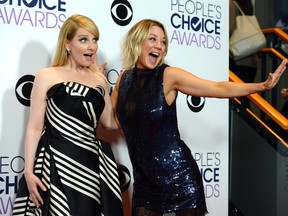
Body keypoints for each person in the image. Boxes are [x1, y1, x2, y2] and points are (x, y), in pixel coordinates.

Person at [110, 19, 287, 216]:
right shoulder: (123, 79)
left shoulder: (168, 75)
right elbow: (111, 122)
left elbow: (216, 88)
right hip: (145, 185)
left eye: (163, 42)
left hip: (181, 179)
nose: (159, 46)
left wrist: (260, 86)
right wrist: (97, 84)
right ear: (137, 41)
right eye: (153, 39)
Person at [12, 14, 123, 216]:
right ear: (68, 44)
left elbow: (109, 123)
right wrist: (28, 171)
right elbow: (35, 127)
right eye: (84, 40)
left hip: (91, 166)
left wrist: (122, 93)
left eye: (95, 40)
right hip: (55, 164)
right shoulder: (46, 75)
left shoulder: (99, 80)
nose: (92, 47)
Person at [229, 0, 259, 107]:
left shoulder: (230, 3)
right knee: (245, 98)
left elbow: (229, 29)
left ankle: (242, 124)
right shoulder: (246, 4)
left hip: (237, 58)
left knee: (239, 98)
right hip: (250, 59)